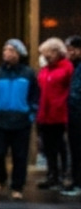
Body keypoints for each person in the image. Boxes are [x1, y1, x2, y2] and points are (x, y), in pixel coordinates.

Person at [0, 39, 39, 200]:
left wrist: (31, 113)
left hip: (21, 121)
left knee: (20, 156)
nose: (7, 53)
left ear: (19, 54)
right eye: (5, 50)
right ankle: (2, 179)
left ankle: (17, 186)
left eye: (11, 50)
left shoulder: (28, 74)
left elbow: (34, 96)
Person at [35, 38, 72, 191]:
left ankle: (63, 174)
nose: (45, 56)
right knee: (48, 146)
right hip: (44, 113)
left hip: (59, 113)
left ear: (56, 51)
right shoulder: (45, 70)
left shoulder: (66, 68)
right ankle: (52, 175)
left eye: (47, 52)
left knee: (59, 145)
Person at [66, 36, 81, 198]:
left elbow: (76, 93)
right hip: (74, 115)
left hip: (77, 114)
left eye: (71, 50)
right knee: (75, 150)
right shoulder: (75, 67)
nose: (69, 53)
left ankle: (78, 182)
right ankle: (76, 181)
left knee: (77, 150)